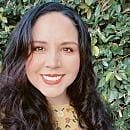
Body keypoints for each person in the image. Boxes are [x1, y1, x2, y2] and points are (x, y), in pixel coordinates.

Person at [0, 2, 113, 130]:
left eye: (67, 49)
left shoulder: (94, 112)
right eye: (39, 48)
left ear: (82, 56)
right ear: (21, 52)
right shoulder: (5, 116)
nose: (53, 63)